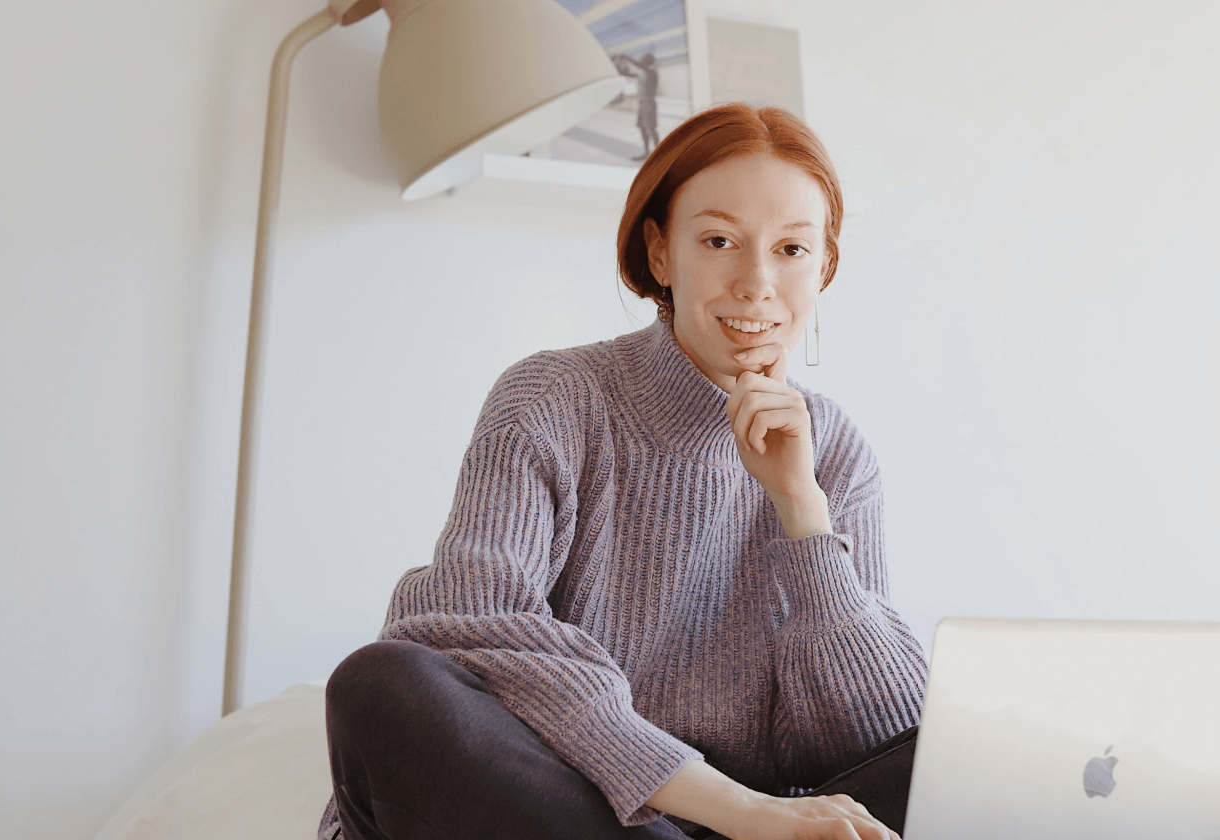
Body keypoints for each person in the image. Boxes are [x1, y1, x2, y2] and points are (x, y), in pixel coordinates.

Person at [318, 103, 928, 840]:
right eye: (719, 239)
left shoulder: (834, 452)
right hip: (582, 812)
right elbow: (469, 630)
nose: (756, 283)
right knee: (386, 686)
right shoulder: (554, 399)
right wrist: (741, 811)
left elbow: (876, 734)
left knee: (950, 758)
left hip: (765, 823)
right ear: (662, 253)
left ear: (823, 266)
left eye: (792, 251)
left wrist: (801, 511)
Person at [617, 51, 661, 159]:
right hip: (642, 105)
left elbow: (640, 66)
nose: (640, 58)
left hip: (649, 104)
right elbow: (627, 74)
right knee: (642, 128)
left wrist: (627, 56)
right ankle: (646, 152)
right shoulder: (642, 73)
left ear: (647, 60)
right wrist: (619, 66)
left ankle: (659, 155)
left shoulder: (652, 72)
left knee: (651, 129)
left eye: (643, 57)